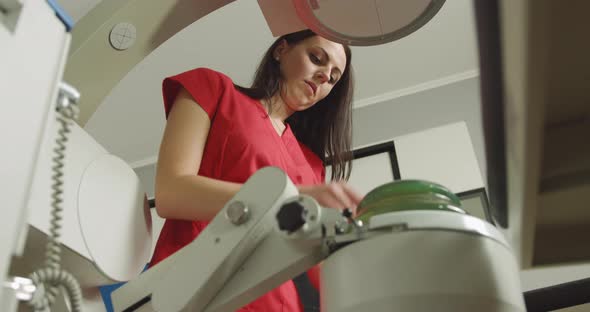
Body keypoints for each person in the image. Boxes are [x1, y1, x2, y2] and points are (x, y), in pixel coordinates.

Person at [150, 29, 363, 311]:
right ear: (281, 50)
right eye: (316, 58)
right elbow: (171, 192)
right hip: (196, 290)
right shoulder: (213, 90)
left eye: (333, 79)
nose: (324, 77)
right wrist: (291, 201)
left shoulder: (311, 165)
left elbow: (316, 265)